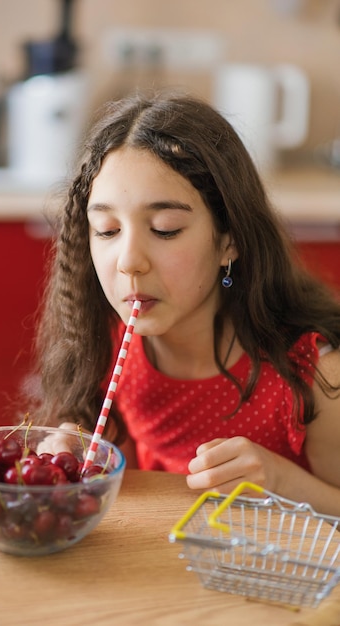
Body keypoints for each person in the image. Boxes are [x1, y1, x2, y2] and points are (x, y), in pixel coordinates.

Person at [28, 91, 340, 516]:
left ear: (229, 240)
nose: (129, 262)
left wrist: (281, 479)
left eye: (165, 229)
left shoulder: (314, 373)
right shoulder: (110, 342)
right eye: (106, 230)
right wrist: (78, 450)